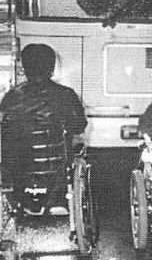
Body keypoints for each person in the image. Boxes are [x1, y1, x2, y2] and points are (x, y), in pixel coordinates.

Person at [0, 44, 87, 216]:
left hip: (19, 171)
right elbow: (79, 125)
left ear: (25, 68)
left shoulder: (11, 96)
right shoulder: (66, 94)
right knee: (78, 149)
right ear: (52, 67)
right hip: (57, 173)